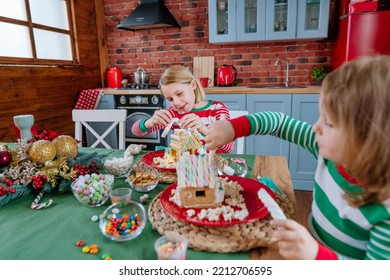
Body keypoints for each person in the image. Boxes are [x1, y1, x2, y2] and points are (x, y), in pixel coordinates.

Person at [204, 56, 390, 260]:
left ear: (369, 139)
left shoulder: (385, 213)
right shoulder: (326, 150)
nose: (316, 127)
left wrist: (317, 256)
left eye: (329, 123)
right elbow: (279, 122)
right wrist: (233, 128)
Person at [132, 65, 233, 153]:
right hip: (183, 169)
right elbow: (136, 131)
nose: (176, 102)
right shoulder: (174, 114)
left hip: (212, 168)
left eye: (180, 93)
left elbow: (228, 147)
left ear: (193, 85)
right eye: (170, 99)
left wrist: (204, 129)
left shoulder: (217, 109)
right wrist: (150, 122)